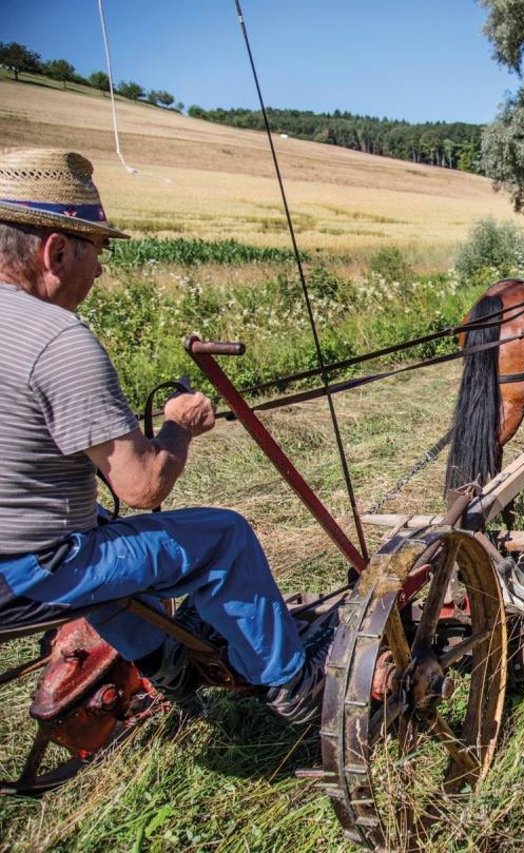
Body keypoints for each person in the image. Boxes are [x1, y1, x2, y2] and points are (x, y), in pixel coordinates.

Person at [0, 148, 329, 723]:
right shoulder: (58, 340)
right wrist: (179, 425)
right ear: (56, 251)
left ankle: (166, 662)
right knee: (224, 536)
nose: (99, 270)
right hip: (29, 570)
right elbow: (143, 487)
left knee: (107, 533)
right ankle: (292, 683)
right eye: (97, 250)